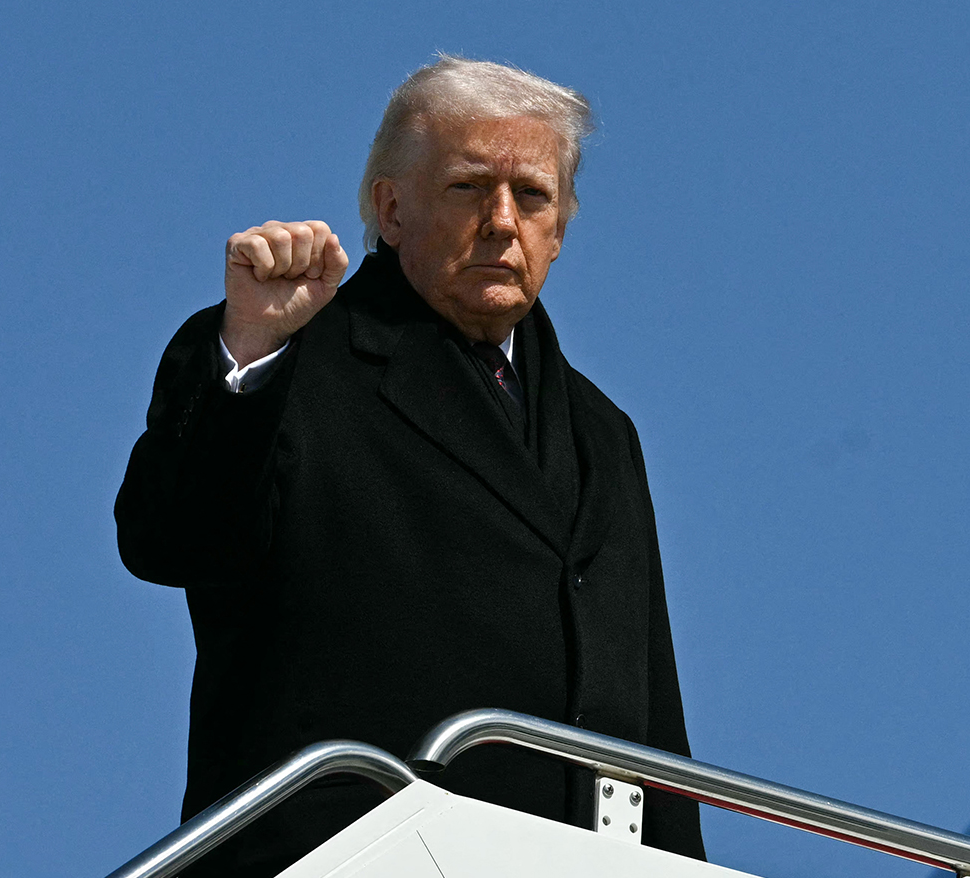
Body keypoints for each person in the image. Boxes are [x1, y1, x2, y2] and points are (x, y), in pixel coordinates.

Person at [115, 56, 705, 875]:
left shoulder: (604, 433)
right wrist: (249, 354)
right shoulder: (285, 358)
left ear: (561, 229)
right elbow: (170, 542)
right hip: (350, 851)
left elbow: (648, 724)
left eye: (532, 196)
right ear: (391, 209)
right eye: (469, 187)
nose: (503, 221)